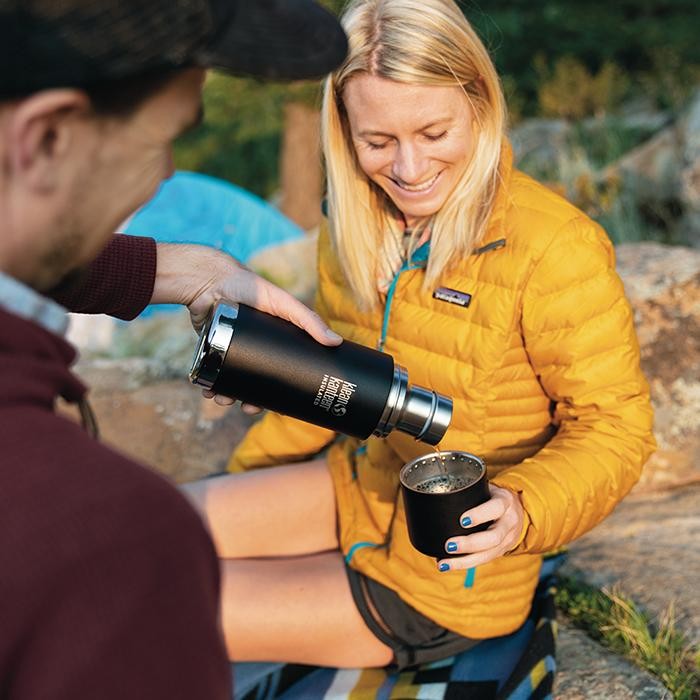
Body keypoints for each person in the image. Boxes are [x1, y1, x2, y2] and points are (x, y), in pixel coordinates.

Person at [182, 0, 656, 676]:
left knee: (155, 603)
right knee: (142, 532)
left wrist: (522, 509)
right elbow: (330, 382)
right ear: (344, 130)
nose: (408, 168)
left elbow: (615, 428)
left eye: (434, 132)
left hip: (446, 574)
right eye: (378, 142)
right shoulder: (355, 223)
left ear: (479, 104)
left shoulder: (554, 247)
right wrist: (251, 469)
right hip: (356, 488)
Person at [0, 0, 347, 698]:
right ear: (45, 138)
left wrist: (176, 270)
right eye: (162, 140)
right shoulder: (108, 546)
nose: (165, 176)